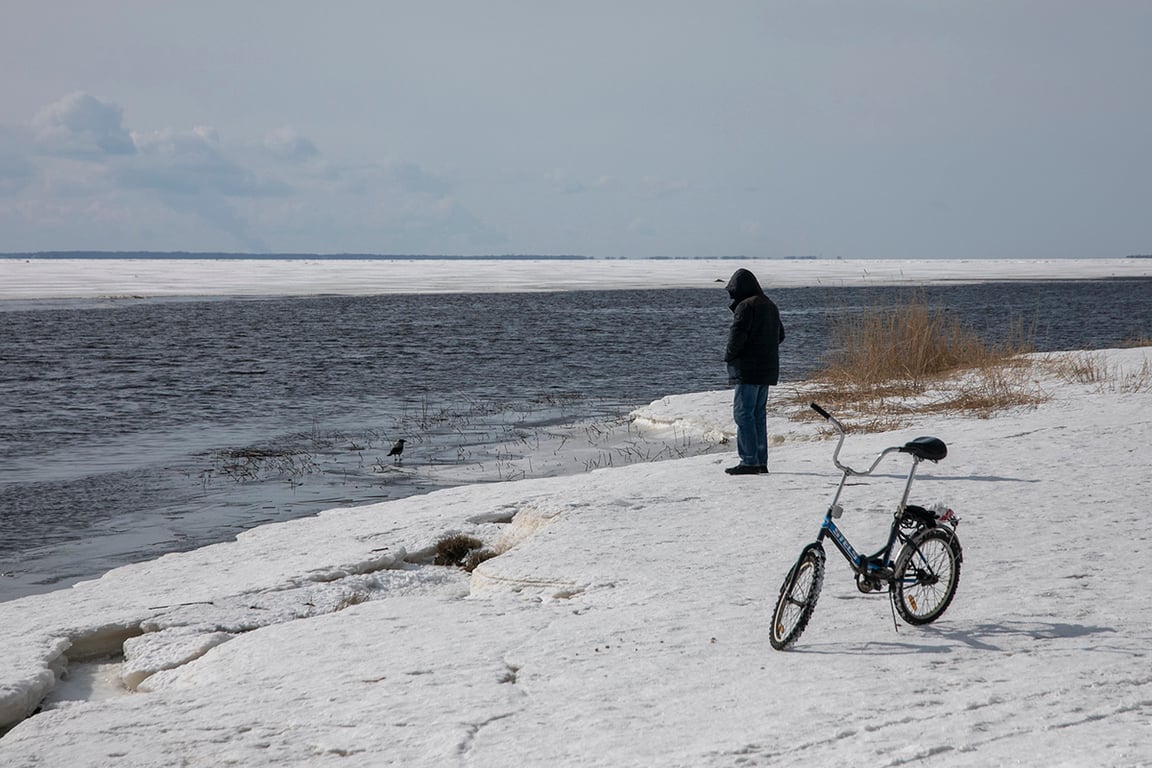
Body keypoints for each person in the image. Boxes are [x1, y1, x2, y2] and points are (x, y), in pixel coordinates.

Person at [723, 268, 785, 475]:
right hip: (767, 370)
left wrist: (730, 356)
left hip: (748, 371)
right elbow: (780, 335)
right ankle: (759, 461)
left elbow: (736, 338)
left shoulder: (746, 306)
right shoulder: (770, 305)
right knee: (757, 414)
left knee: (743, 414)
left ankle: (749, 461)